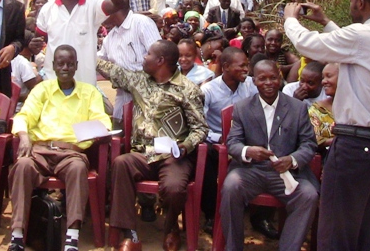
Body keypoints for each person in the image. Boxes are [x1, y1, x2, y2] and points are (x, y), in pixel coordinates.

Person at [283, 0, 370, 250]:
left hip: (353, 147)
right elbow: (355, 48)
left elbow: (307, 45)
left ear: (360, 2)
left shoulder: (362, 37)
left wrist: (290, 19)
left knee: (336, 235)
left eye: (352, 0)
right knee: (364, 232)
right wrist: (326, 22)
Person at [97, 40, 208, 251]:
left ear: (160, 61)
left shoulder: (187, 89)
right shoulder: (139, 81)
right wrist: (84, 51)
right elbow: (112, 70)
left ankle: (171, 226)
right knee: (121, 163)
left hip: (173, 156)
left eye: (147, 54)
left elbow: (201, 129)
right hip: (143, 154)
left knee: (175, 188)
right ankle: (129, 233)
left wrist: (184, 146)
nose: (143, 58)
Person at [7, 45, 112, 251]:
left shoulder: (89, 92)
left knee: (77, 169)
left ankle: (72, 236)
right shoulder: (42, 89)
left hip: (71, 152)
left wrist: (96, 132)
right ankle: (17, 235)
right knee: (22, 167)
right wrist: (24, 137)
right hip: (40, 150)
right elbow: (24, 116)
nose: (65, 67)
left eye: (70, 64)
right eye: (61, 63)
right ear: (53, 66)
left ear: (76, 66)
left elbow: (102, 121)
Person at [220, 60, 319, 251]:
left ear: (280, 78)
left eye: (273, 78)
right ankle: (233, 247)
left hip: (285, 174)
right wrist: (248, 151)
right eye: (262, 79)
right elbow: (232, 143)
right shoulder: (242, 108)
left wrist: (292, 160)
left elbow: (309, 144)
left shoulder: (297, 108)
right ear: (254, 81)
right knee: (231, 186)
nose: (268, 83)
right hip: (251, 171)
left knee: (308, 195)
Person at [310, 63, 370, 251]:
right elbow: (313, 141)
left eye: (329, 76)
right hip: (336, 165)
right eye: (323, 77)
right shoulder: (316, 110)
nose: (324, 81)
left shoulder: (366, 108)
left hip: (368, 163)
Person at [33, 0, 125, 86]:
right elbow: (38, 41)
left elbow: (119, 4)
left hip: (85, 83)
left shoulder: (93, 5)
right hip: (53, 82)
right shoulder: (47, 8)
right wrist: (33, 46)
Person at [200, 47, 257, 234]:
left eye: (247, 65)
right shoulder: (208, 90)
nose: (246, 69)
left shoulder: (252, 85)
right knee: (203, 155)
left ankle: (256, 215)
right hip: (216, 142)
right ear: (225, 66)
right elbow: (200, 125)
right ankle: (210, 213)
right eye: (241, 66)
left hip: (246, 143)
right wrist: (221, 139)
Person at [98, 0, 161, 126]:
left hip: (148, 97)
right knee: (118, 134)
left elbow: (160, 59)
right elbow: (98, 62)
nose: (100, 13)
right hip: (123, 99)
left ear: (113, 9)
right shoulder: (110, 37)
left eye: (103, 9)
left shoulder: (141, 23)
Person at [10, 30, 40, 104]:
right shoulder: (22, 62)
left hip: (13, 108)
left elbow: (35, 91)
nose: (31, 53)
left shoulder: (21, 62)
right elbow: (35, 90)